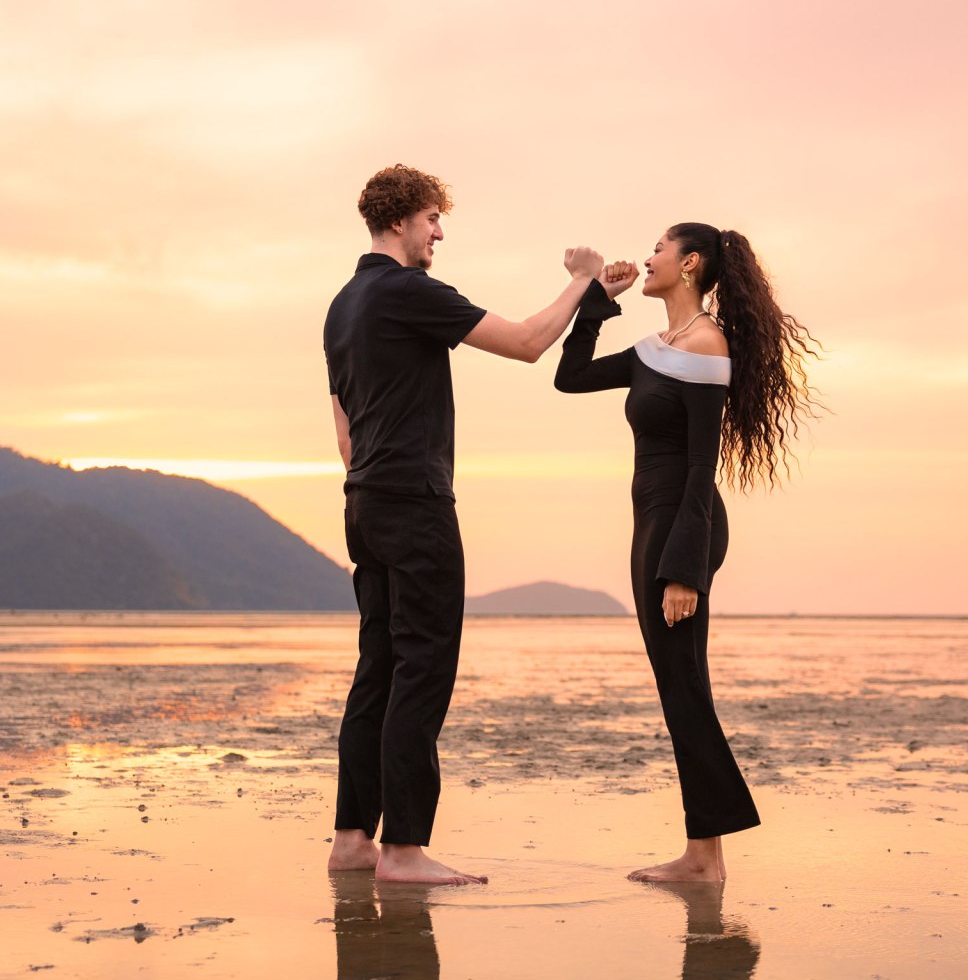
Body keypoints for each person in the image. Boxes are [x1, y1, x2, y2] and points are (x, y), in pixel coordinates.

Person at [323, 164, 606, 885]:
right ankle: (405, 852)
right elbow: (526, 342)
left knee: (378, 669)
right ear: (400, 222)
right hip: (415, 504)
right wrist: (582, 279)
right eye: (431, 220)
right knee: (422, 668)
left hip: (363, 500)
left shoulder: (342, 306)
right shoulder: (409, 292)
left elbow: (346, 434)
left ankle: (353, 841)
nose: (439, 233)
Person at [554, 223, 818, 882]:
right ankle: (704, 854)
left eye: (658, 251)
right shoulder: (655, 349)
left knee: (684, 690)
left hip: (684, 531)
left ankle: (706, 859)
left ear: (690, 262)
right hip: (653, 528)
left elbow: (703, 468)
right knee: (679, 689)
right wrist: (596, 298)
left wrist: (684, 571)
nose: (645, 260)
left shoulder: (705, 346)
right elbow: (571, 376)